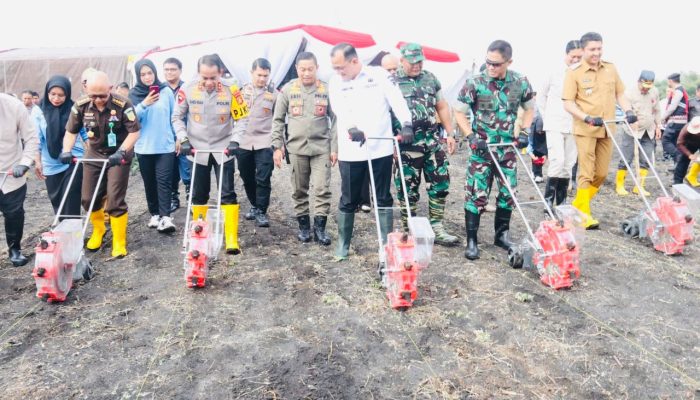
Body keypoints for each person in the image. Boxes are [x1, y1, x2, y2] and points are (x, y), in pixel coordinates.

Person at [328, 43, 412, 262]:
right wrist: (351, 127)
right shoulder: (336, 82)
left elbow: (396, 101)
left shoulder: (379, 76)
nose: (338, 72)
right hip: (351, 149)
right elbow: (339, 108)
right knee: (348, 198)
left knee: (383, 196)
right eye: (335, 68)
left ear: (354, 61)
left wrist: (406, 124)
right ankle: (343, 244)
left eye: (341, 67)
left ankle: (385, 245)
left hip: (380, 146)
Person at [454, 40, 535, 260]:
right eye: (488, 62)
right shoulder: (475, 82)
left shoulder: (520, 82)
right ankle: (472, 240)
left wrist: (526, 132)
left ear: (509, 62)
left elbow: (530, 108)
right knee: (476, 194)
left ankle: (501, 235)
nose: (491, 67)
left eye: (496, 64)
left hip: (507, 150)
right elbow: (458, 112)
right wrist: (470, 136)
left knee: (508, 194)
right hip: (482, 150)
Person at [61, 71, 141, 258]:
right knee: (88, 198)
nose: (98, 100)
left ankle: (119, 241)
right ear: (86, 90)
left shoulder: (123, 105)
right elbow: (71, 131)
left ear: (110, 89)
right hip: (94, 154)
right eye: (93, 96)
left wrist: (121, 151)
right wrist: (67, 150)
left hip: (118, 155)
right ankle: (99, 230)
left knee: (114, 199)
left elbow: (134, 132)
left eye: (102, 96)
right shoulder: (80, 106)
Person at [563, 32, 636, 229]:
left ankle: (578, 206)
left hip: (607, 128)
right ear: (584, 50)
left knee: (602, 173)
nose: (596, 53)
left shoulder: (610, 69)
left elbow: (620, 93)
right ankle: (583, 214)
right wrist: (586, 117)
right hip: (586, 128)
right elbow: (568, 103)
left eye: (599, 49)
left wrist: (628, 110)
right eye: (592, 49)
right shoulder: (574, 72)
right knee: (586, 173)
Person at [172, 54, 242, 255]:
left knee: (227, 193)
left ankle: (231, 239)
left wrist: (236, 140)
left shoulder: (231, 90)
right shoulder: (188, 89)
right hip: (197, 149)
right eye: (205, 77)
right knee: (198, 193)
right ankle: (198, 233)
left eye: (213, 77)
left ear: (220, 72)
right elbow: (177, 116)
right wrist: (183, 139)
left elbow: (242, 118)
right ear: (198, 73)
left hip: (223, 148)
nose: (209, 82)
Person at [394, 43, 458, 246]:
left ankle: (437, 226)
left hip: (431, 141)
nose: (417, 65)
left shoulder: (430, 78)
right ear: (402, 60)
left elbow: (441, 105)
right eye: (412, 62)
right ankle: (409, 229)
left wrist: (450, 133)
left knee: (440, 183)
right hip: (406, 144)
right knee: (407, 188)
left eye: (420, 61)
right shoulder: (392, 80)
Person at [272, 52, 337, 245]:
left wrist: (335, 148)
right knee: (299, 190)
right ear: (297, 69)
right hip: (296, 148)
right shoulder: (288, 90)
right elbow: (277, 120)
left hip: (321, 148)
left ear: (317, 68)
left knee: (321, 189)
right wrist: (277, 146)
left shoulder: (326, 89)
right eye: (302, 69)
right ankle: (304, 228)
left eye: (310, 69)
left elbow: (336, 120)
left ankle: (320, 229)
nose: (306, 73)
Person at [130, 59, 177, 233]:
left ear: (155, 73)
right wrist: (144, 104)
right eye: (143, 74)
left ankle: (166, 217)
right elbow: (131, 120)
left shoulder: (166, 92)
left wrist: (178, 138)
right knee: (149, 182)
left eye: (150, 73)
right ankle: (155, 214)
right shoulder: (134, 95)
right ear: (138, 76)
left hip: (165, 146)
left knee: (164, 181)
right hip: (144, 147)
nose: (147, 77)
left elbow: (174, 117)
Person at [232, 58, 277, 228]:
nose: (262, 79)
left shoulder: (274, 94)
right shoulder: (240, 92)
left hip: (265, 141)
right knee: (246, 176)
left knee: (263, 177)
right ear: (251, 73)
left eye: (265, 75)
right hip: (243, 141)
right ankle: (254, 204)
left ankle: (261, 211)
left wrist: (279, 144)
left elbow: (278, 119)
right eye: (259, 75)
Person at [538, 40, 582, 209]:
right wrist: (546, 116)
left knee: (569, 162)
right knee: (557, 160)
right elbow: (541, 96)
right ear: (566, 55)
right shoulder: (554, 72)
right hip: (555, 122)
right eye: (573, 56)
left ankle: (562, 202)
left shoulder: (583, 74)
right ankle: (548, 201)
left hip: (575, 124)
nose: (576, 60)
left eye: (579, 57)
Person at [36, 75, 87, 219]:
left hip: (73, 160)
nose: (56, 98)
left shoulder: (73, 109)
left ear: (67, 94)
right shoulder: (38, 111)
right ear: (47, 93)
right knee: (57, 202)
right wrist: (37, 162)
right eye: (53, 94)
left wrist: (93, 151)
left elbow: (83, 132)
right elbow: (36, 139)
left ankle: (74, 237)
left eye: (61, 95)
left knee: (71, 200)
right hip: (50, 164)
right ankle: (64, 236)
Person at [0, 93, 39, 266]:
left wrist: (24, 163)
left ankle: (15, 249)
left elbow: (31, 138)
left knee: (14, 213)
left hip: (11, 171)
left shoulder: (15, 106)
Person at [614, 70, 662, 196]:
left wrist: (658, 126)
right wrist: (631, 120)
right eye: (644, 86)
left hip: (649, 131)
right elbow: (625, 111)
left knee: (646, 160)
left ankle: (639, 186)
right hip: (631, 131)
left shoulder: (655, 92)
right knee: (626, 158)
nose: (646, 89)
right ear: (639, 81)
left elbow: (657, 110)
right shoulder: (629, 93)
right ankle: (619, 185)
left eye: (649, 86)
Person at [163, 57, 191, 213]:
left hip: (185, 135)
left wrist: (181, 137)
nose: (169, 72)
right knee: (170, 170)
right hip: (166, 137)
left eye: (172, 69)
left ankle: (190, 197)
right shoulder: (160, 90)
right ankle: (173, 198)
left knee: (187, 168)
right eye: (166, 69)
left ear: (180, 70)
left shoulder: (187, 88)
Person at [661, 73, 689, 164]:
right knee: (676, 143)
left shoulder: (678, 91)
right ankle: (678, 164)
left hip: (676, 121)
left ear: (670, 81)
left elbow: (673, 107)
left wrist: (663, 117)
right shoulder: (682, 90)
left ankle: (678, 156)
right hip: (682, 121)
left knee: (665, 140)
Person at [673, 117, 700, 185]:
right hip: (691, 143)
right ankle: (678, 182)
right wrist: (689, 154)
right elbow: (679, 143)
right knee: (683, 160)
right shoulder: (685, 130)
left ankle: (691, 176)